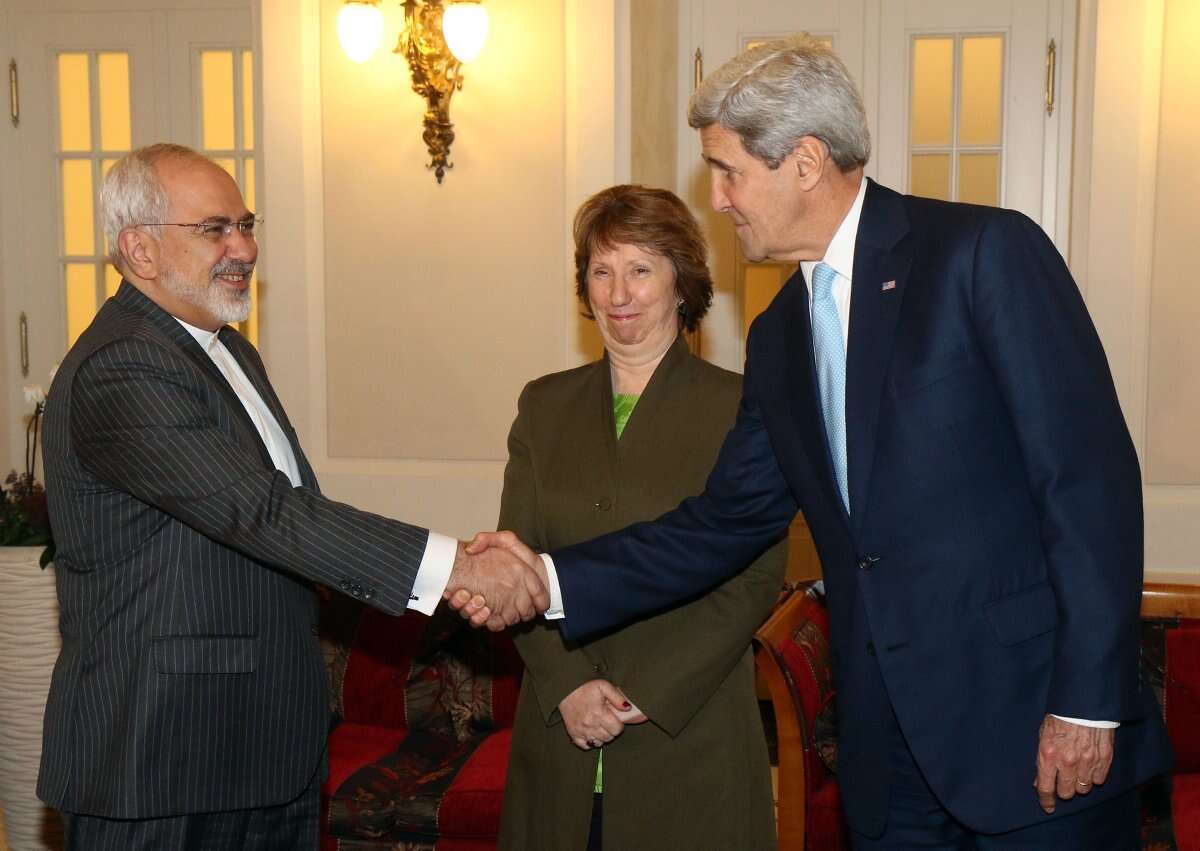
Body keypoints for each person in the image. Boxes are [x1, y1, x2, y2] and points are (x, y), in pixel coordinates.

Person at [457, 36, 1173, 848]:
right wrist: (546, 579)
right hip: (887, 757)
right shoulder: (780, 335)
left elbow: (1087, 483)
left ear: (803, 162)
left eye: (728, 171)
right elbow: (722, 524)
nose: (718, 198)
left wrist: (1086, 702)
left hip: (1033, 731)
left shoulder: (981, 255)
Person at [37, 143, 546, 849]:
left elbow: (281, 517)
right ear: (139, 250)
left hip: (267, 747)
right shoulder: (122, 364)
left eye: (246, 224)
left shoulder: (227, 351)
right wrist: (456, 566)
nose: (244, 247)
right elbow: (262, 512)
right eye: (214, 229)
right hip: (162, 761)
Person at [495, 185, 785, 851]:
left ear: (682, 284)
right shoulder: (542, 406)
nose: (619, 293)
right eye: (602, 271)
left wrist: (646, 691)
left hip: (689, 735)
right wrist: (568, 685)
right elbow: (515, 568)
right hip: (560, 736)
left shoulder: (742, 407)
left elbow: (755, 578)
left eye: (640, 269)